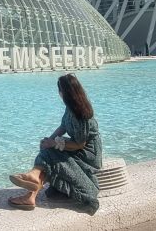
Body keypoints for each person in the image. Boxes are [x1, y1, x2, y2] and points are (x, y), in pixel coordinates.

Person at [7, 73, 103, 214]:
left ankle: (32, 187)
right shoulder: (70, 107)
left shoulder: (80, 113)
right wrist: (49, 140)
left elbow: (80, 144)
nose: (59, 93)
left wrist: (53, 144)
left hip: (87, 155)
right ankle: (32, 185)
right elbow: (63, 126)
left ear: (65, 92)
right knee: (48, 150)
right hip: (77, 148)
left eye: (60, 90)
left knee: (50, 154)